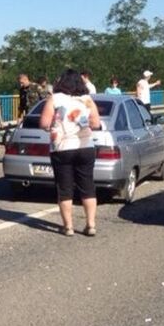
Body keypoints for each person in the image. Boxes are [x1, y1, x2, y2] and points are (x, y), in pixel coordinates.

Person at [39, 69, 101, 237]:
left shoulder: (55, 99)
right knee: (87, 185)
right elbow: (96, 123)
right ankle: (91, 224)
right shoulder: (87, 100)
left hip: (62, 148)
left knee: (65, 188)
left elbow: (44, 122)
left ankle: (68, 227)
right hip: (85, 146)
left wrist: (55, 126)